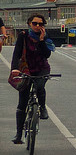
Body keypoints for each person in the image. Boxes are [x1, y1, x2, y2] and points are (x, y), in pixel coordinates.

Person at [11, 14, 52, 145]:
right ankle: (18, 134)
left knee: (40, 86)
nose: (38, 26)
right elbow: (16, 53)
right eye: (35, 23)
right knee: (22, 102)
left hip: (41, 68)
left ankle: (42, 107)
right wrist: (14, 69)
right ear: (29, 23)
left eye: (40, 24)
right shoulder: (23, 36)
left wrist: (41, 40)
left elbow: (47, 54)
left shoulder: (44, 37)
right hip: (25, 69)